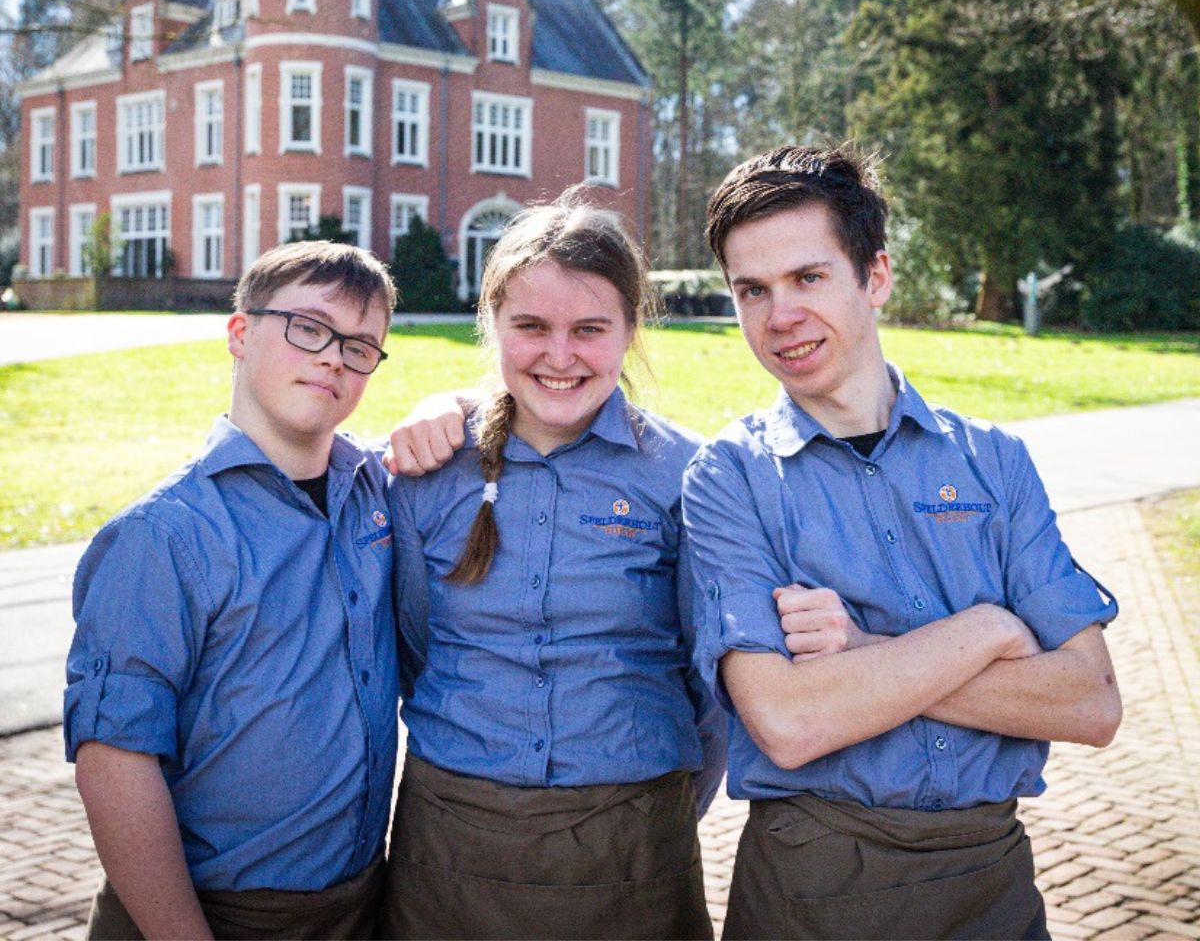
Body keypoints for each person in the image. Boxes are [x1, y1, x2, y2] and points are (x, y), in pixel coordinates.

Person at [682, 144, 1122, 941]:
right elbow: (786, 722)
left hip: (993, 882)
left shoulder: (995, 461)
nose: (780, 317)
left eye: (808, 278)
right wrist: (987, 630)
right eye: (753, 290)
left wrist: (861, 651)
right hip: (810, 883)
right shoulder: (728, 478)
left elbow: (1090, 703)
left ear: (875, 277)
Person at [380, 190, 726, 941]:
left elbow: (709, 683)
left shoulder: (685, 476)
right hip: (452, 841)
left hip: (634, 844)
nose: (559, 356)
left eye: (590, 329)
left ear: (631, 332)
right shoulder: (425, 473)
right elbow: (413, 649)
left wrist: (641, 799)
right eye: (530, 327)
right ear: (493, 326)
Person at [64, 241, 400, 940]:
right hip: (204, 913)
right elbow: (116, 763)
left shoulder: (378, 493)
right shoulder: (165, 537)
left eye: (361, 345)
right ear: (240, 334)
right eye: (309, 328)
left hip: (355, 902)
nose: (334, 356)